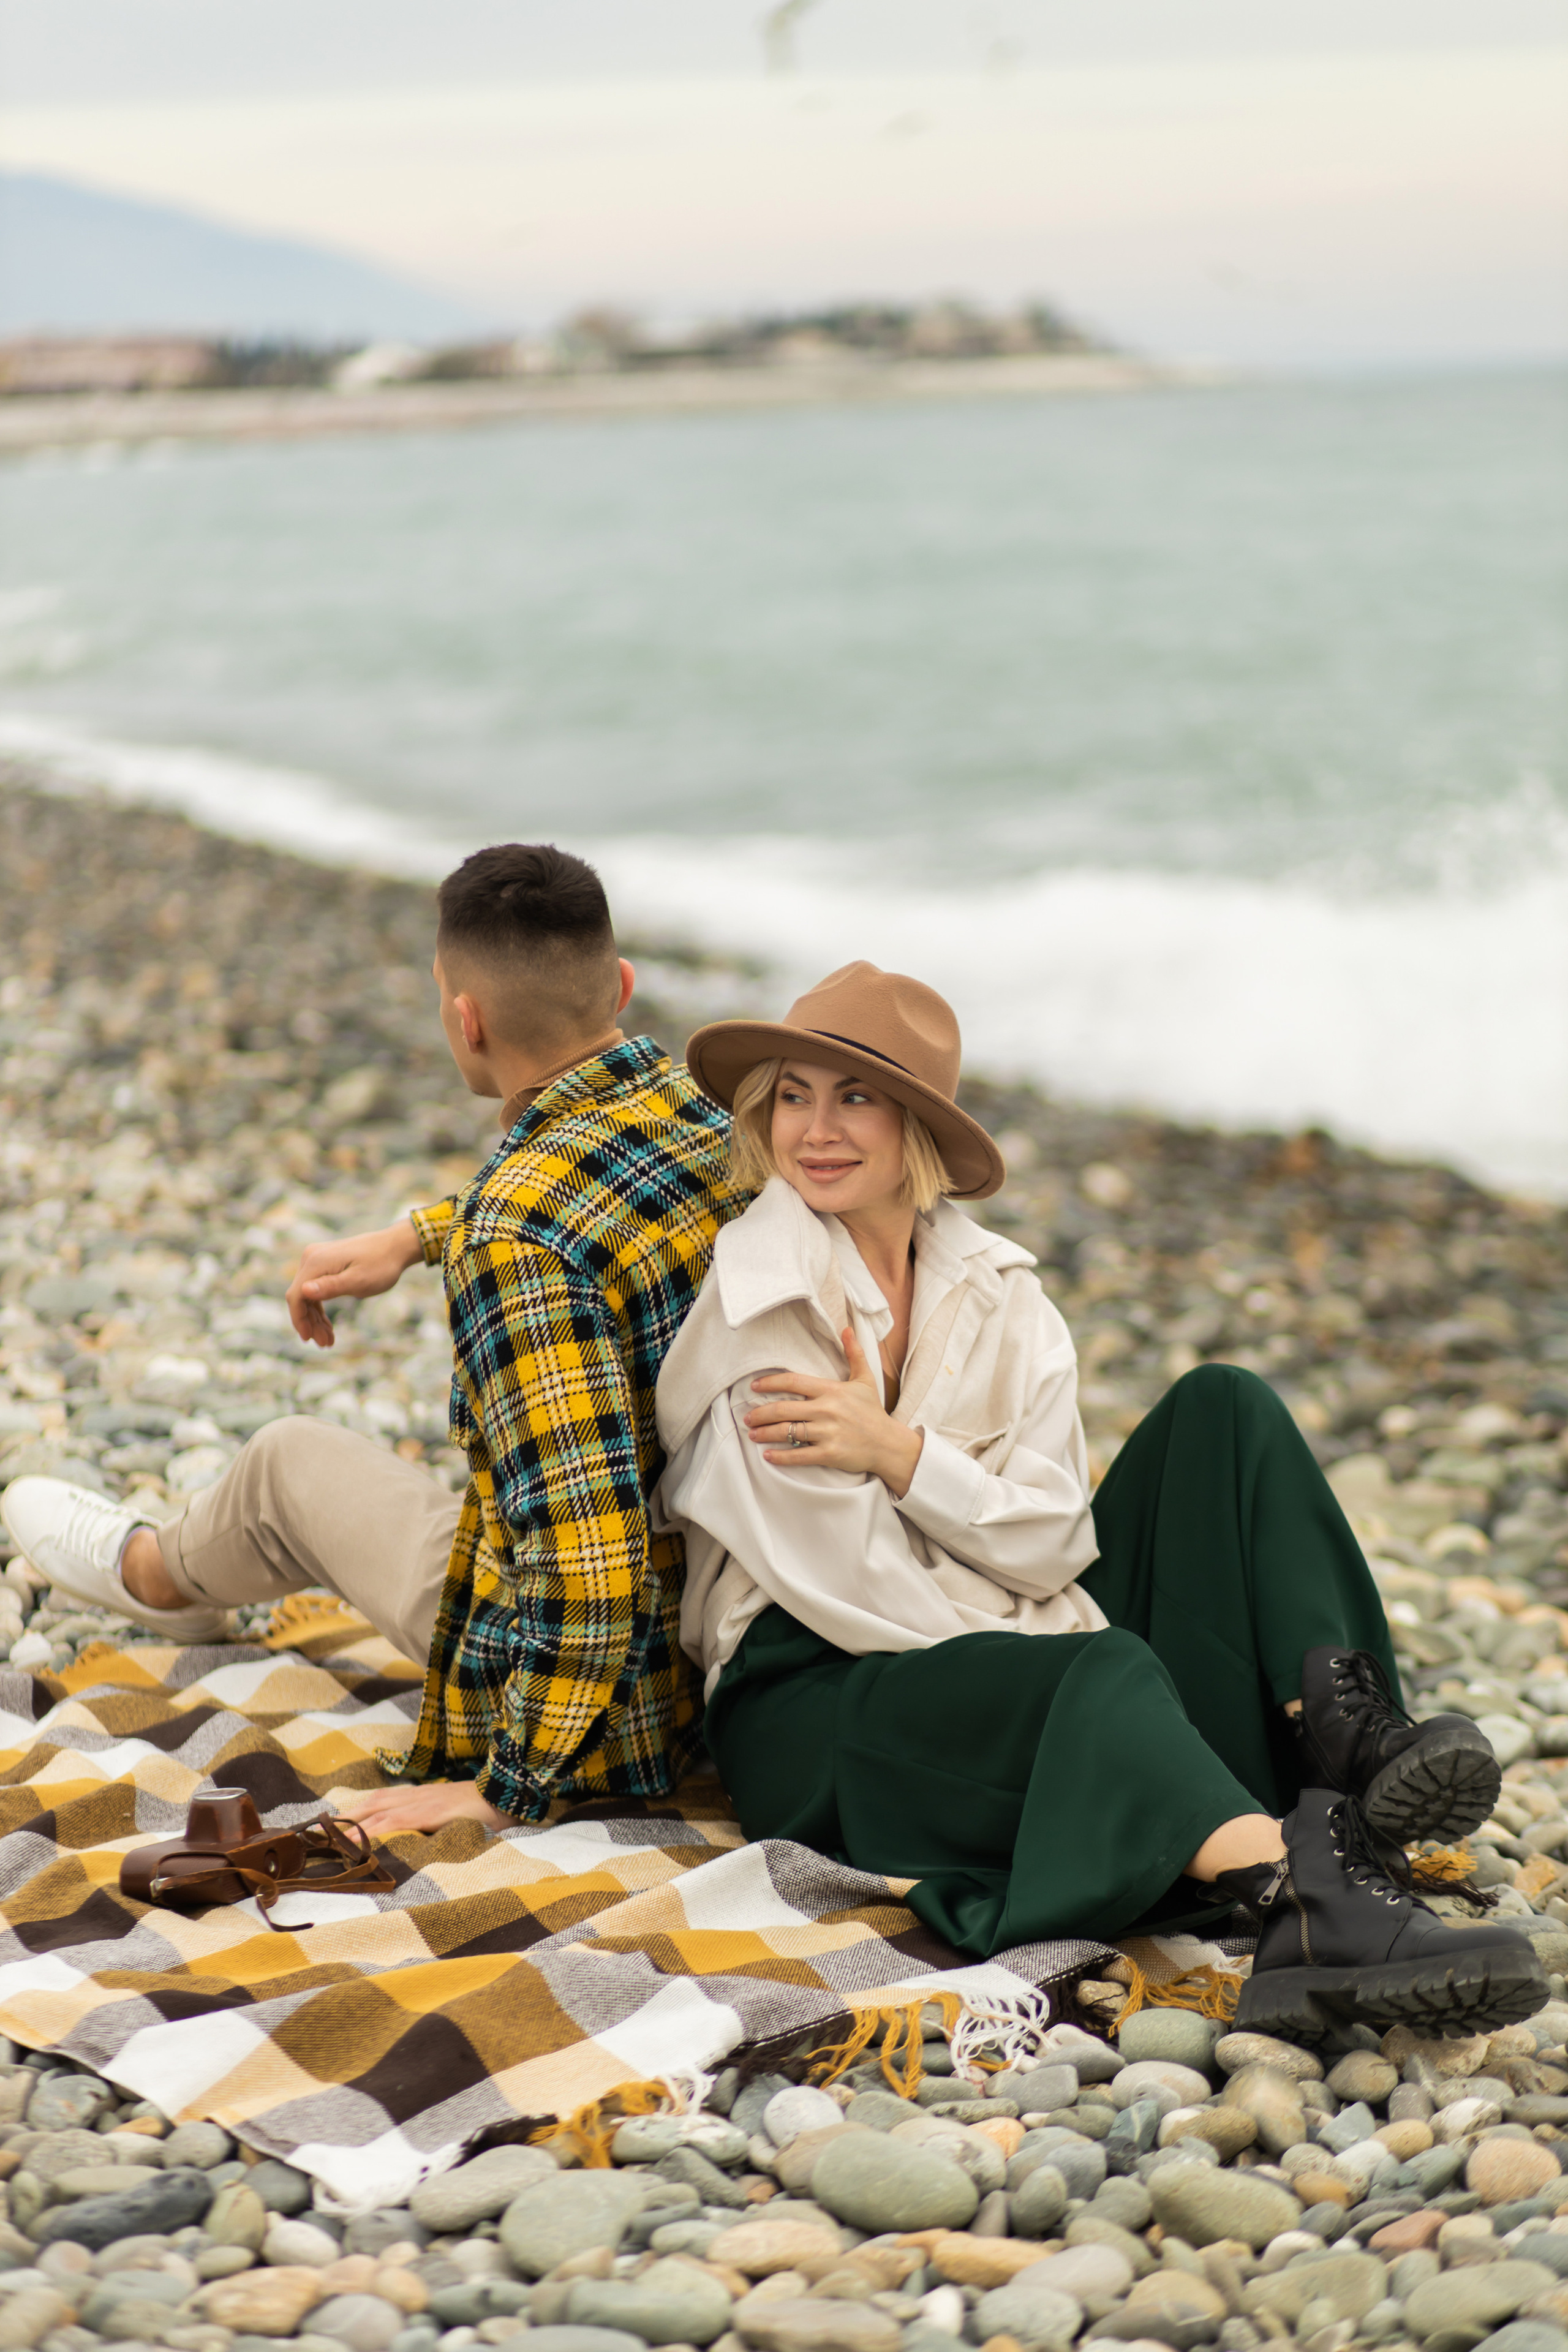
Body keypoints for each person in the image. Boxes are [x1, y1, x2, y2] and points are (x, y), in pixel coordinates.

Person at [654, 959, 1543, 2043]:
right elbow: (854, 1591)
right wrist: (1076, 1650)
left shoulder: (1003, 1295)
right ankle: (1302, 1903)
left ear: (918, 1132)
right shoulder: (760, 1309)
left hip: (998, 1655)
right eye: (792, 1095)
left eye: (857, 1097)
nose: (816, 1129)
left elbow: (1055, 1537)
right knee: (1104, 1661)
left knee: (1226, 1407)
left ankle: (1346, 1743)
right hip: (819, 1703)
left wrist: (900, 1455)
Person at [4, 844, 737, 1834]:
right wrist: (419, 1235)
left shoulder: (517, 1243)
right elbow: (603, 1187)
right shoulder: (711, 1111)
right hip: (732, 1630)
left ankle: (151, 1574)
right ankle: (177, 1562)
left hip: (625, 1712)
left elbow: (589, 1568)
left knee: (285, 1462)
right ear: (620, 986)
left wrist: (502, 1790)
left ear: (464, 1019)